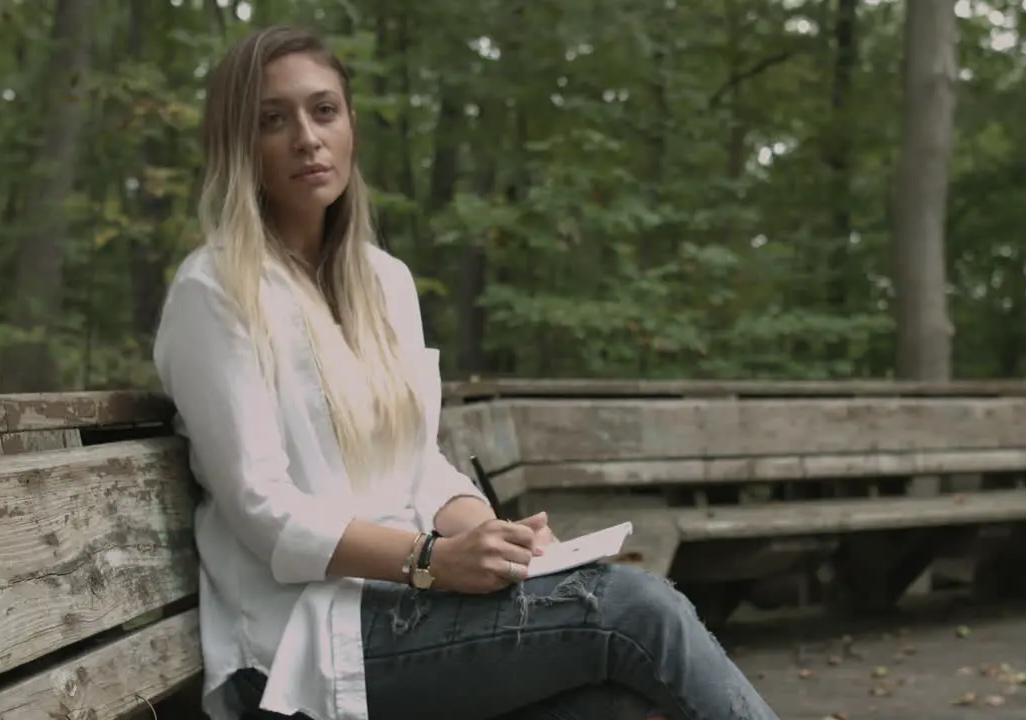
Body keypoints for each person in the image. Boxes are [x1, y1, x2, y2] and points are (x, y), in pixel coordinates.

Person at [153, 24, 781, 720]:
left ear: (350, 124)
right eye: (274, 120)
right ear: (239, 145)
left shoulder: (384, 282)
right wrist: (430, 559)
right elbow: (262, 511)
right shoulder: (214, 292)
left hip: (409, 604)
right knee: (635, 610)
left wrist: (495, 541)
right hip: (300, 642)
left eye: (323, 110)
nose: (306, 136)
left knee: (619, 707)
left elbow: (417, 466)